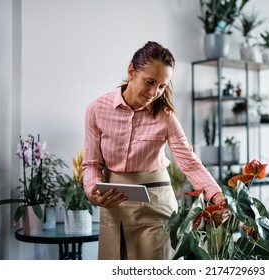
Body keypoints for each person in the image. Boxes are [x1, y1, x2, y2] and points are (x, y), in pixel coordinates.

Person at [82, 41, 226, 260]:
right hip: (114, 207)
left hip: (156, 207)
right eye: (149, 82)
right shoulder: (97, 110)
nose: (154, 92)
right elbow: (92, 164)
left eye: (161, 86)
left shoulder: (165, 116)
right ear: (131, 71)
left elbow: (189, 162)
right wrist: (92, 190)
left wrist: (216, 196)